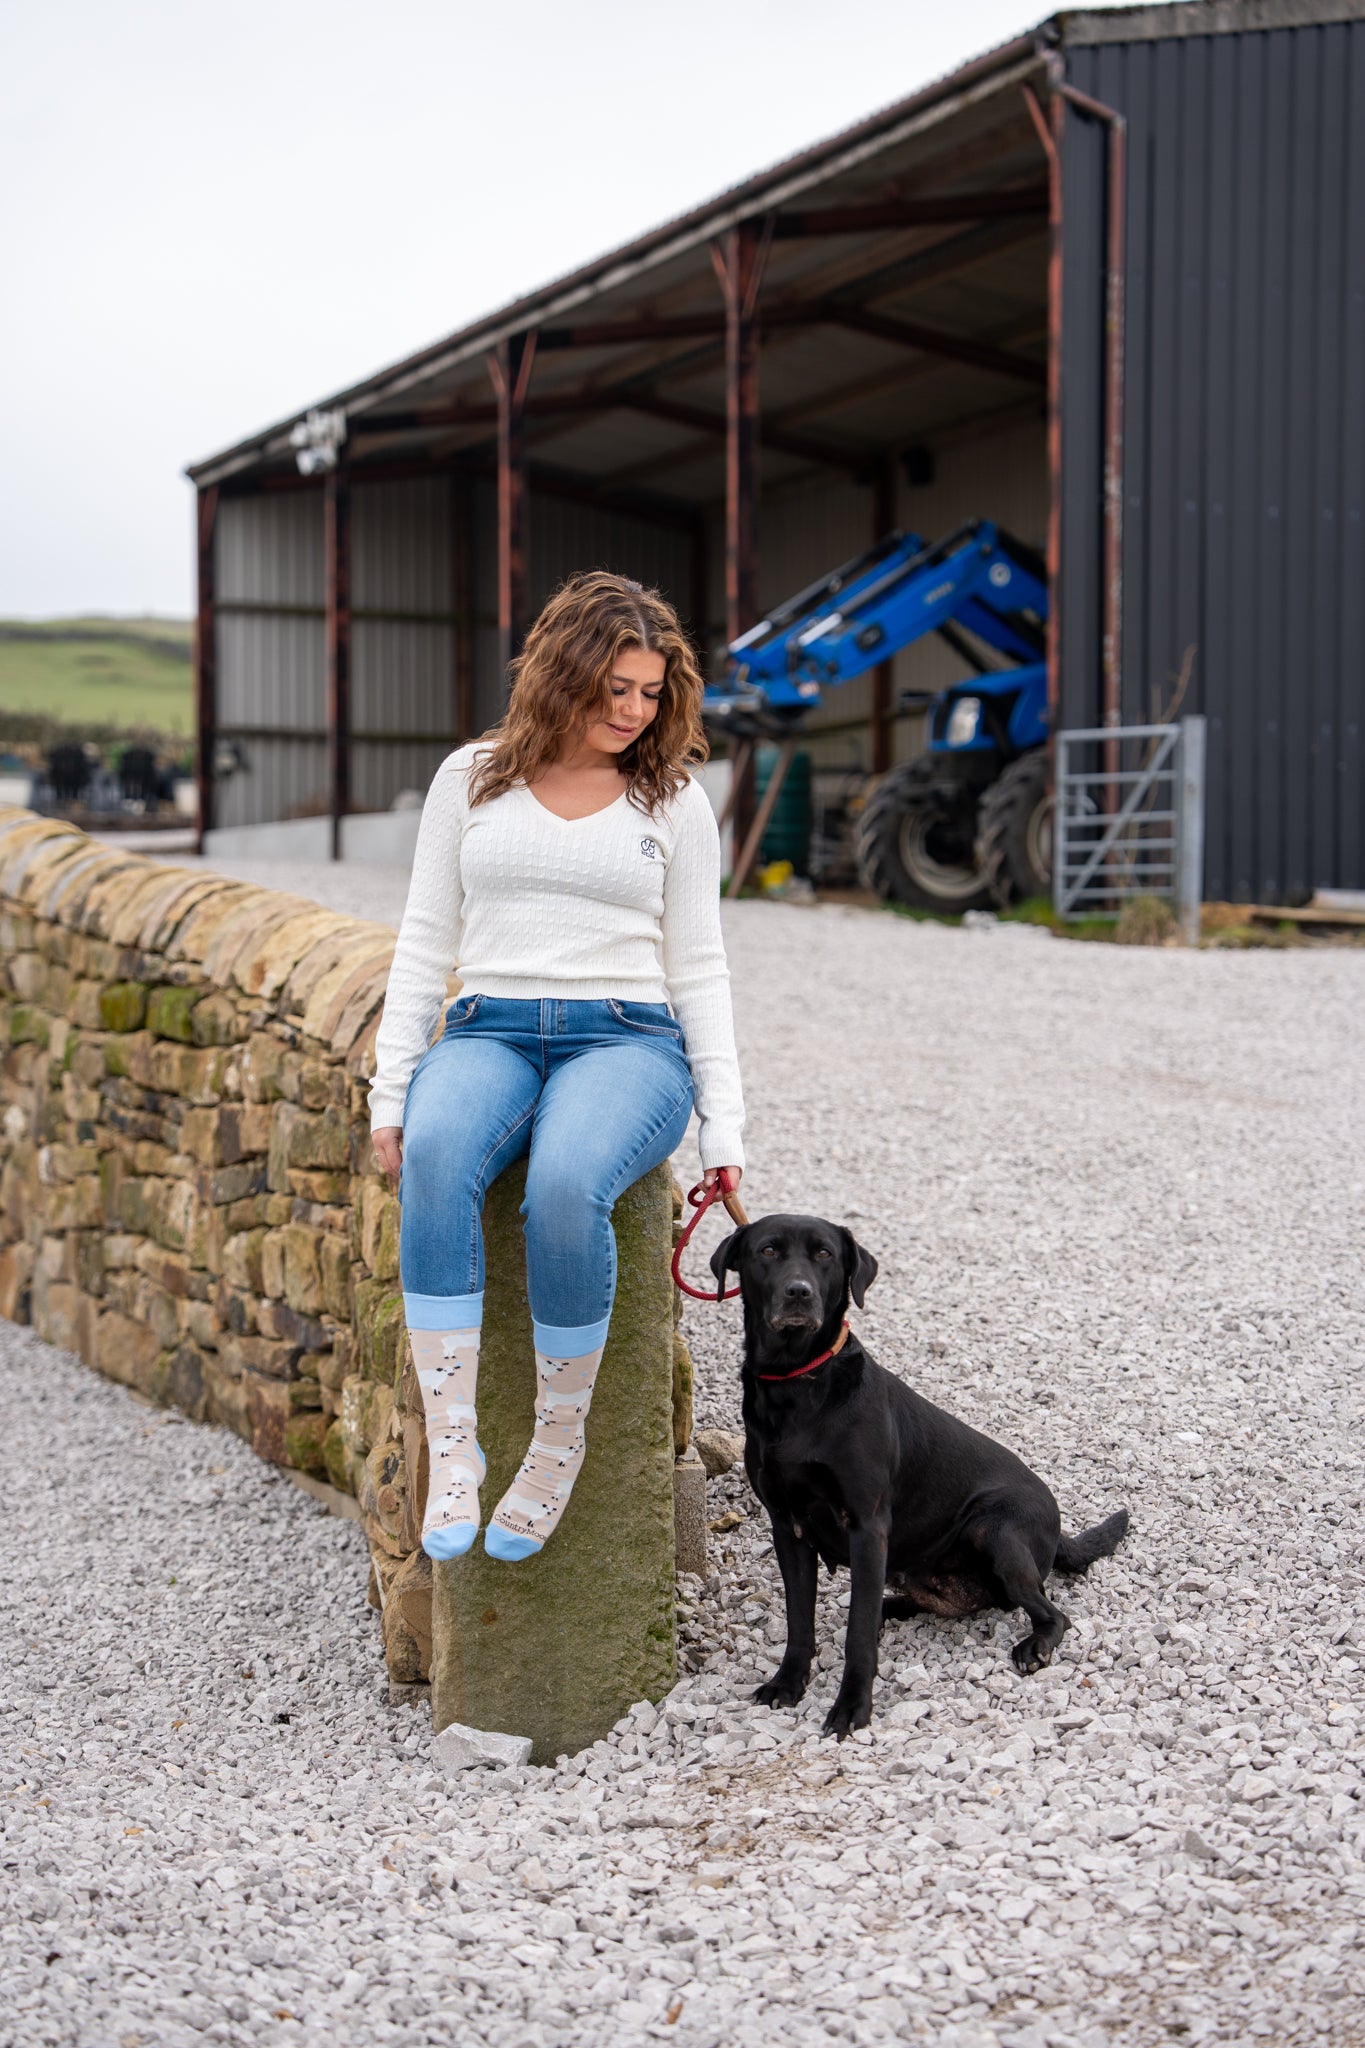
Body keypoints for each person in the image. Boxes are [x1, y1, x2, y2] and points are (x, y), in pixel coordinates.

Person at [369, 571, 745, 1565]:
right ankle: (455, 1449)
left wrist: (728, 1128)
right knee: (440, 1152)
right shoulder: (471, 777)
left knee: (570, 1184)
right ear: (560, 672)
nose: (631, 711)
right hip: (488, 1025)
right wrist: (390, 1088)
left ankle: (556, 1439)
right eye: (611, 687)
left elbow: (700, 964)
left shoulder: (674, 802)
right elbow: (422, 938)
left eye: (648, 692)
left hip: (628, 1038)